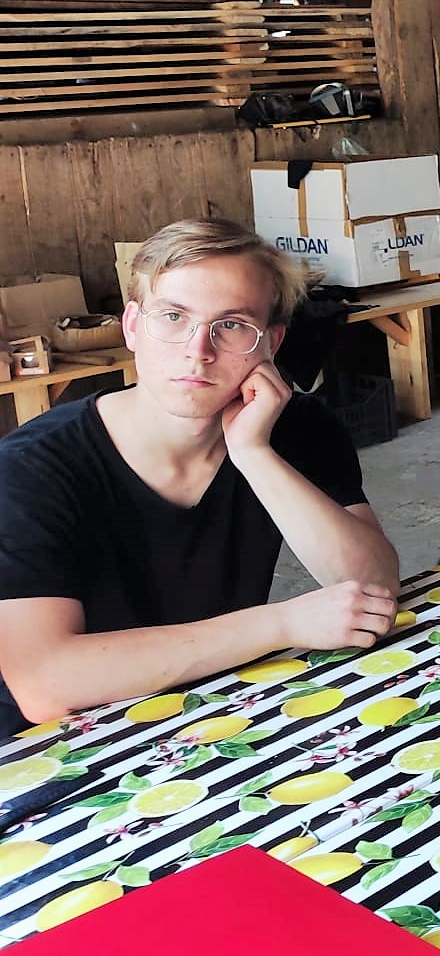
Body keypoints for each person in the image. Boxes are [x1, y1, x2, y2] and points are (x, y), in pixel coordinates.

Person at [0, 220, 400, 732]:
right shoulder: (30, 467)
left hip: (210, 705)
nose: (198, 350)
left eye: (232, 325)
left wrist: (254, 453)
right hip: (55, 742)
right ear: (132, 327)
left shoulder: (294, 428)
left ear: (272, 343)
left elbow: (373, 588)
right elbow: (44, 684)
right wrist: (281, 623)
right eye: (173, 316)